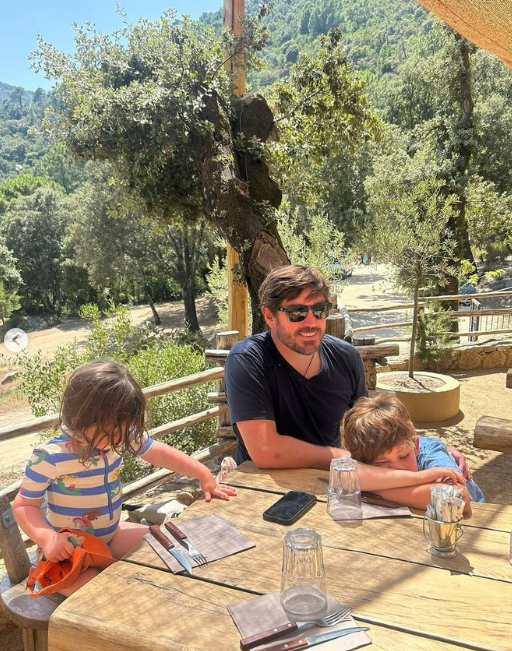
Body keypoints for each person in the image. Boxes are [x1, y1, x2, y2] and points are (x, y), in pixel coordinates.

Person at [224, 265, 467, 493]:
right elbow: (267, 451)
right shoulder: (248, 359)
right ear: (269, 316)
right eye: (297, 313)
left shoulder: (346, 357)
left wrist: (427, 449)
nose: (311, 322)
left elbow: (372, 428)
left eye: (319, 311)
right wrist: (341, 458)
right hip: (262, 487)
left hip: (332, 483)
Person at [13, 361, 236, 595]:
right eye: (113, 431)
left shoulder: (116, 436)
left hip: (111, 535)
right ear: (80, 417)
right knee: (101, 591)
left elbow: (158, 453)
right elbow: (24, 505)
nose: (121, 438)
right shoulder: (50, 456)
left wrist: (202, 473)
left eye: (124, 429)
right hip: (69, 552)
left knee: (169, 546)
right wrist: (48, 539)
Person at [342, 393, 484, 511]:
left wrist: (377, 489)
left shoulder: (431, 453)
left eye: (404, 456)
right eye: (382, 463)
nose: (399, 467)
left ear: (415, 444)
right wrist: (421, 477)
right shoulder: (365, 450)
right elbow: (345, 474)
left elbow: (458, 498)